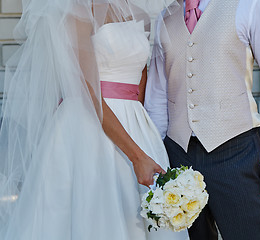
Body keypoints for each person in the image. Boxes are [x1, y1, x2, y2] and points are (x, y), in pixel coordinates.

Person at [0, 0, 189, 239]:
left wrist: (142, 135)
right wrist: (137, 155)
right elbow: (88, 91)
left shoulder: (141, 14)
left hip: (137, 125)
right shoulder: (77, 12)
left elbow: (140, 81)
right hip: (86, 127)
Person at [145, 0, 260, 239]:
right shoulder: (166, 16)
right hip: (178, 156)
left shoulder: (249, 5)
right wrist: (158, 159)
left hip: (235, 153)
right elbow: (157, 97)